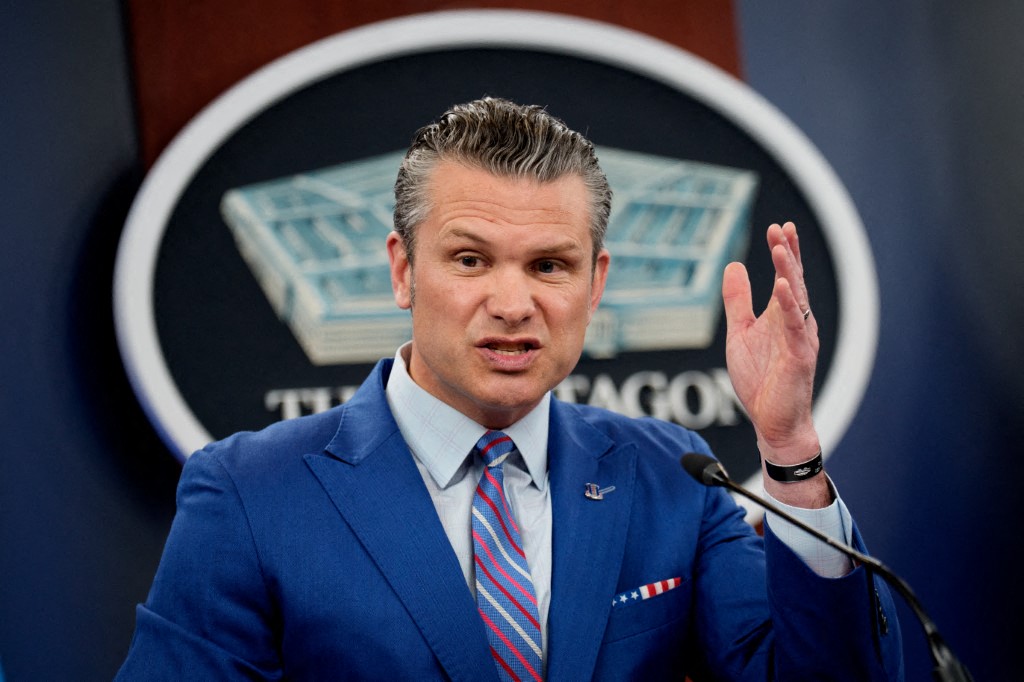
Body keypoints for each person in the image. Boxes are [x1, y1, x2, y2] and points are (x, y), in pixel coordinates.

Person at [116, 97, 903, 680]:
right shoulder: (251, 493)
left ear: (594, 284)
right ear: (402, 270)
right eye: (470, 260)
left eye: (549, 265)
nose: (513, 302)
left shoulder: (671, 476)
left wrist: (789, 449)